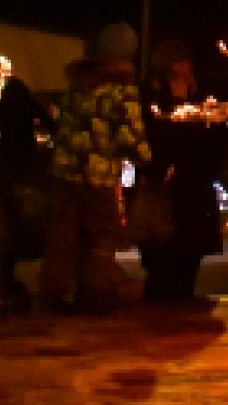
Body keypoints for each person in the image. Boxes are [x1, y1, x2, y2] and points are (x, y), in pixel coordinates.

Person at [39, 22, 153, 314]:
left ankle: (53, 291)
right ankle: (94, 292)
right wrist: (145, 158)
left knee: (63, 232)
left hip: (65, 171)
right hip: (98, 175)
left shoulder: (78, 82)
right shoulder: (121, 86)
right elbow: (129, 132)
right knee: (102, 234)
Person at [138, 40, 228, 304]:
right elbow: (158, 139)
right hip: (165, 190)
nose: (185, 69)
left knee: (190, 251)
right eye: (178, 64)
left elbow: (212, 139)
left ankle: (182, 298)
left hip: (195, 186)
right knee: (162, 253)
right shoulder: (153, 99)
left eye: (186, 62)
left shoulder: (201, 97)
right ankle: (160, 302)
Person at [0, 76, 55, 308]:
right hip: (26, 152)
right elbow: (50, 124)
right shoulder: (29, 104)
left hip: (6, 155)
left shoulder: (1, 105)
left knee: (6, 195)